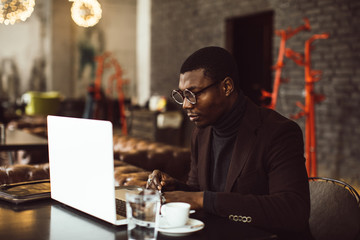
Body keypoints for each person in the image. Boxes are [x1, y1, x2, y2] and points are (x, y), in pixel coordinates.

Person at [146, 46, 312, 239]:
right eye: (182, 95)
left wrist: (201, 199)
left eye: (193, 94)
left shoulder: (278, 132)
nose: (186, 104)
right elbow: (202, 193)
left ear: (226, 87)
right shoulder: (201, 133)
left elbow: (292, 212)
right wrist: (176, 187)